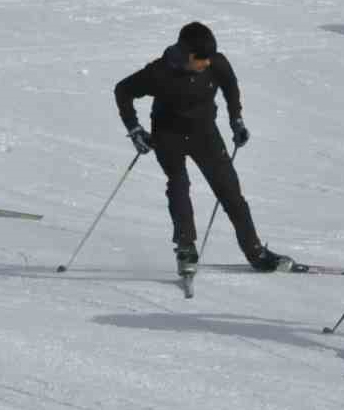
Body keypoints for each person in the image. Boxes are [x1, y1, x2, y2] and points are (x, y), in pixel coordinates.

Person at [114, 21, 290, 276]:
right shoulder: (159, 73)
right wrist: (134, 129)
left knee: (231, 193)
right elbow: (123, 90)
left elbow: (230, 85)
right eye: (201, 59)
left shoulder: (216, 63)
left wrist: (236, 119)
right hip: (168, 133)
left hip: (204, 133)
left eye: (209, 58)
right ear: (186, 54)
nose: (207, 63)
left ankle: (256, 252)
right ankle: (186, 247)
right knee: (178, 184)